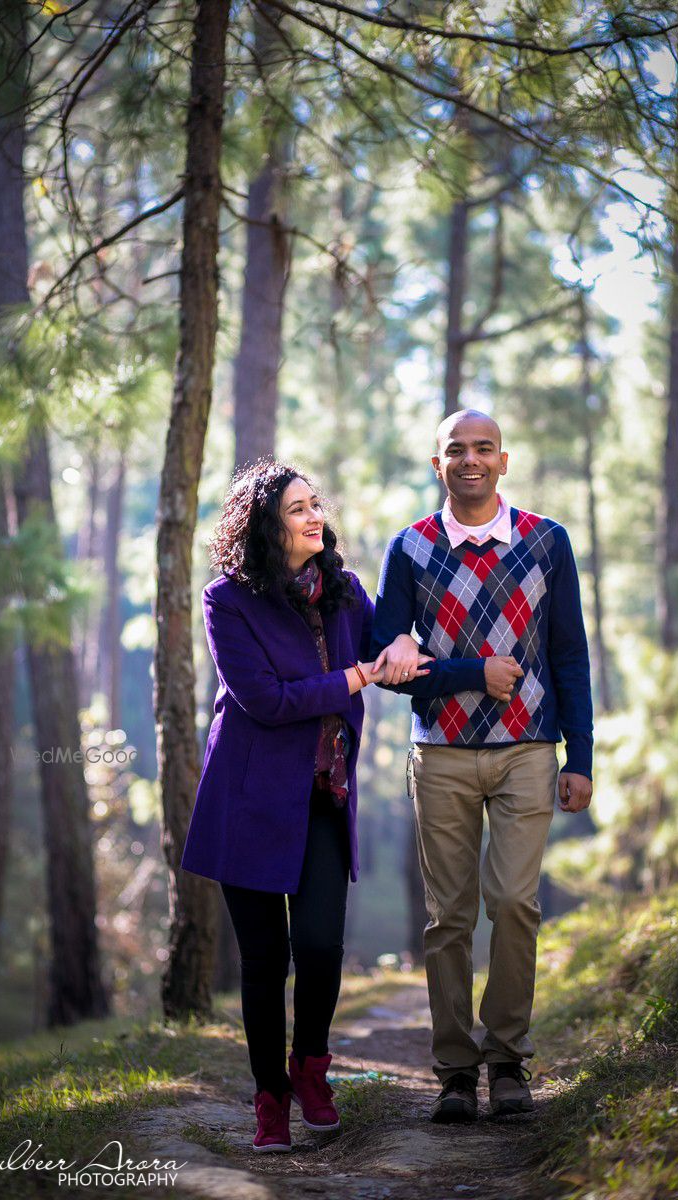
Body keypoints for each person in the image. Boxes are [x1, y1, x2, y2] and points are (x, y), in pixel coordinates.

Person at [179, 460, 434, 1154]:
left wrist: (406, 641)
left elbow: (393, 655)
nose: (314, 516)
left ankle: (311, 1068)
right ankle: (269, 1099)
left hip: (323, 796)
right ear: (265, 525)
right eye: (297, 509)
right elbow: (263, 701)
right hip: (249, 798)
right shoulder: (226, 600)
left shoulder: (345, 592)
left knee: (319, 946)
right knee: (263, 962)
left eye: (315, 504)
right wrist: (355, 676)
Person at [371, 409, 593, 1123]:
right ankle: (455, 1073)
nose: (469, 460)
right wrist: (472, 672)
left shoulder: (546, 542)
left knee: (515, 905)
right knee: (449, 917)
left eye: (482, 449)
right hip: (439, 755)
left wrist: (579, 755)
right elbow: (387, 667)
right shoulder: (409, 549)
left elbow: (569, 654)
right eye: (454, 451)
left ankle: (506, 1060)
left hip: (529, 750)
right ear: (437, 466)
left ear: (504, 460)